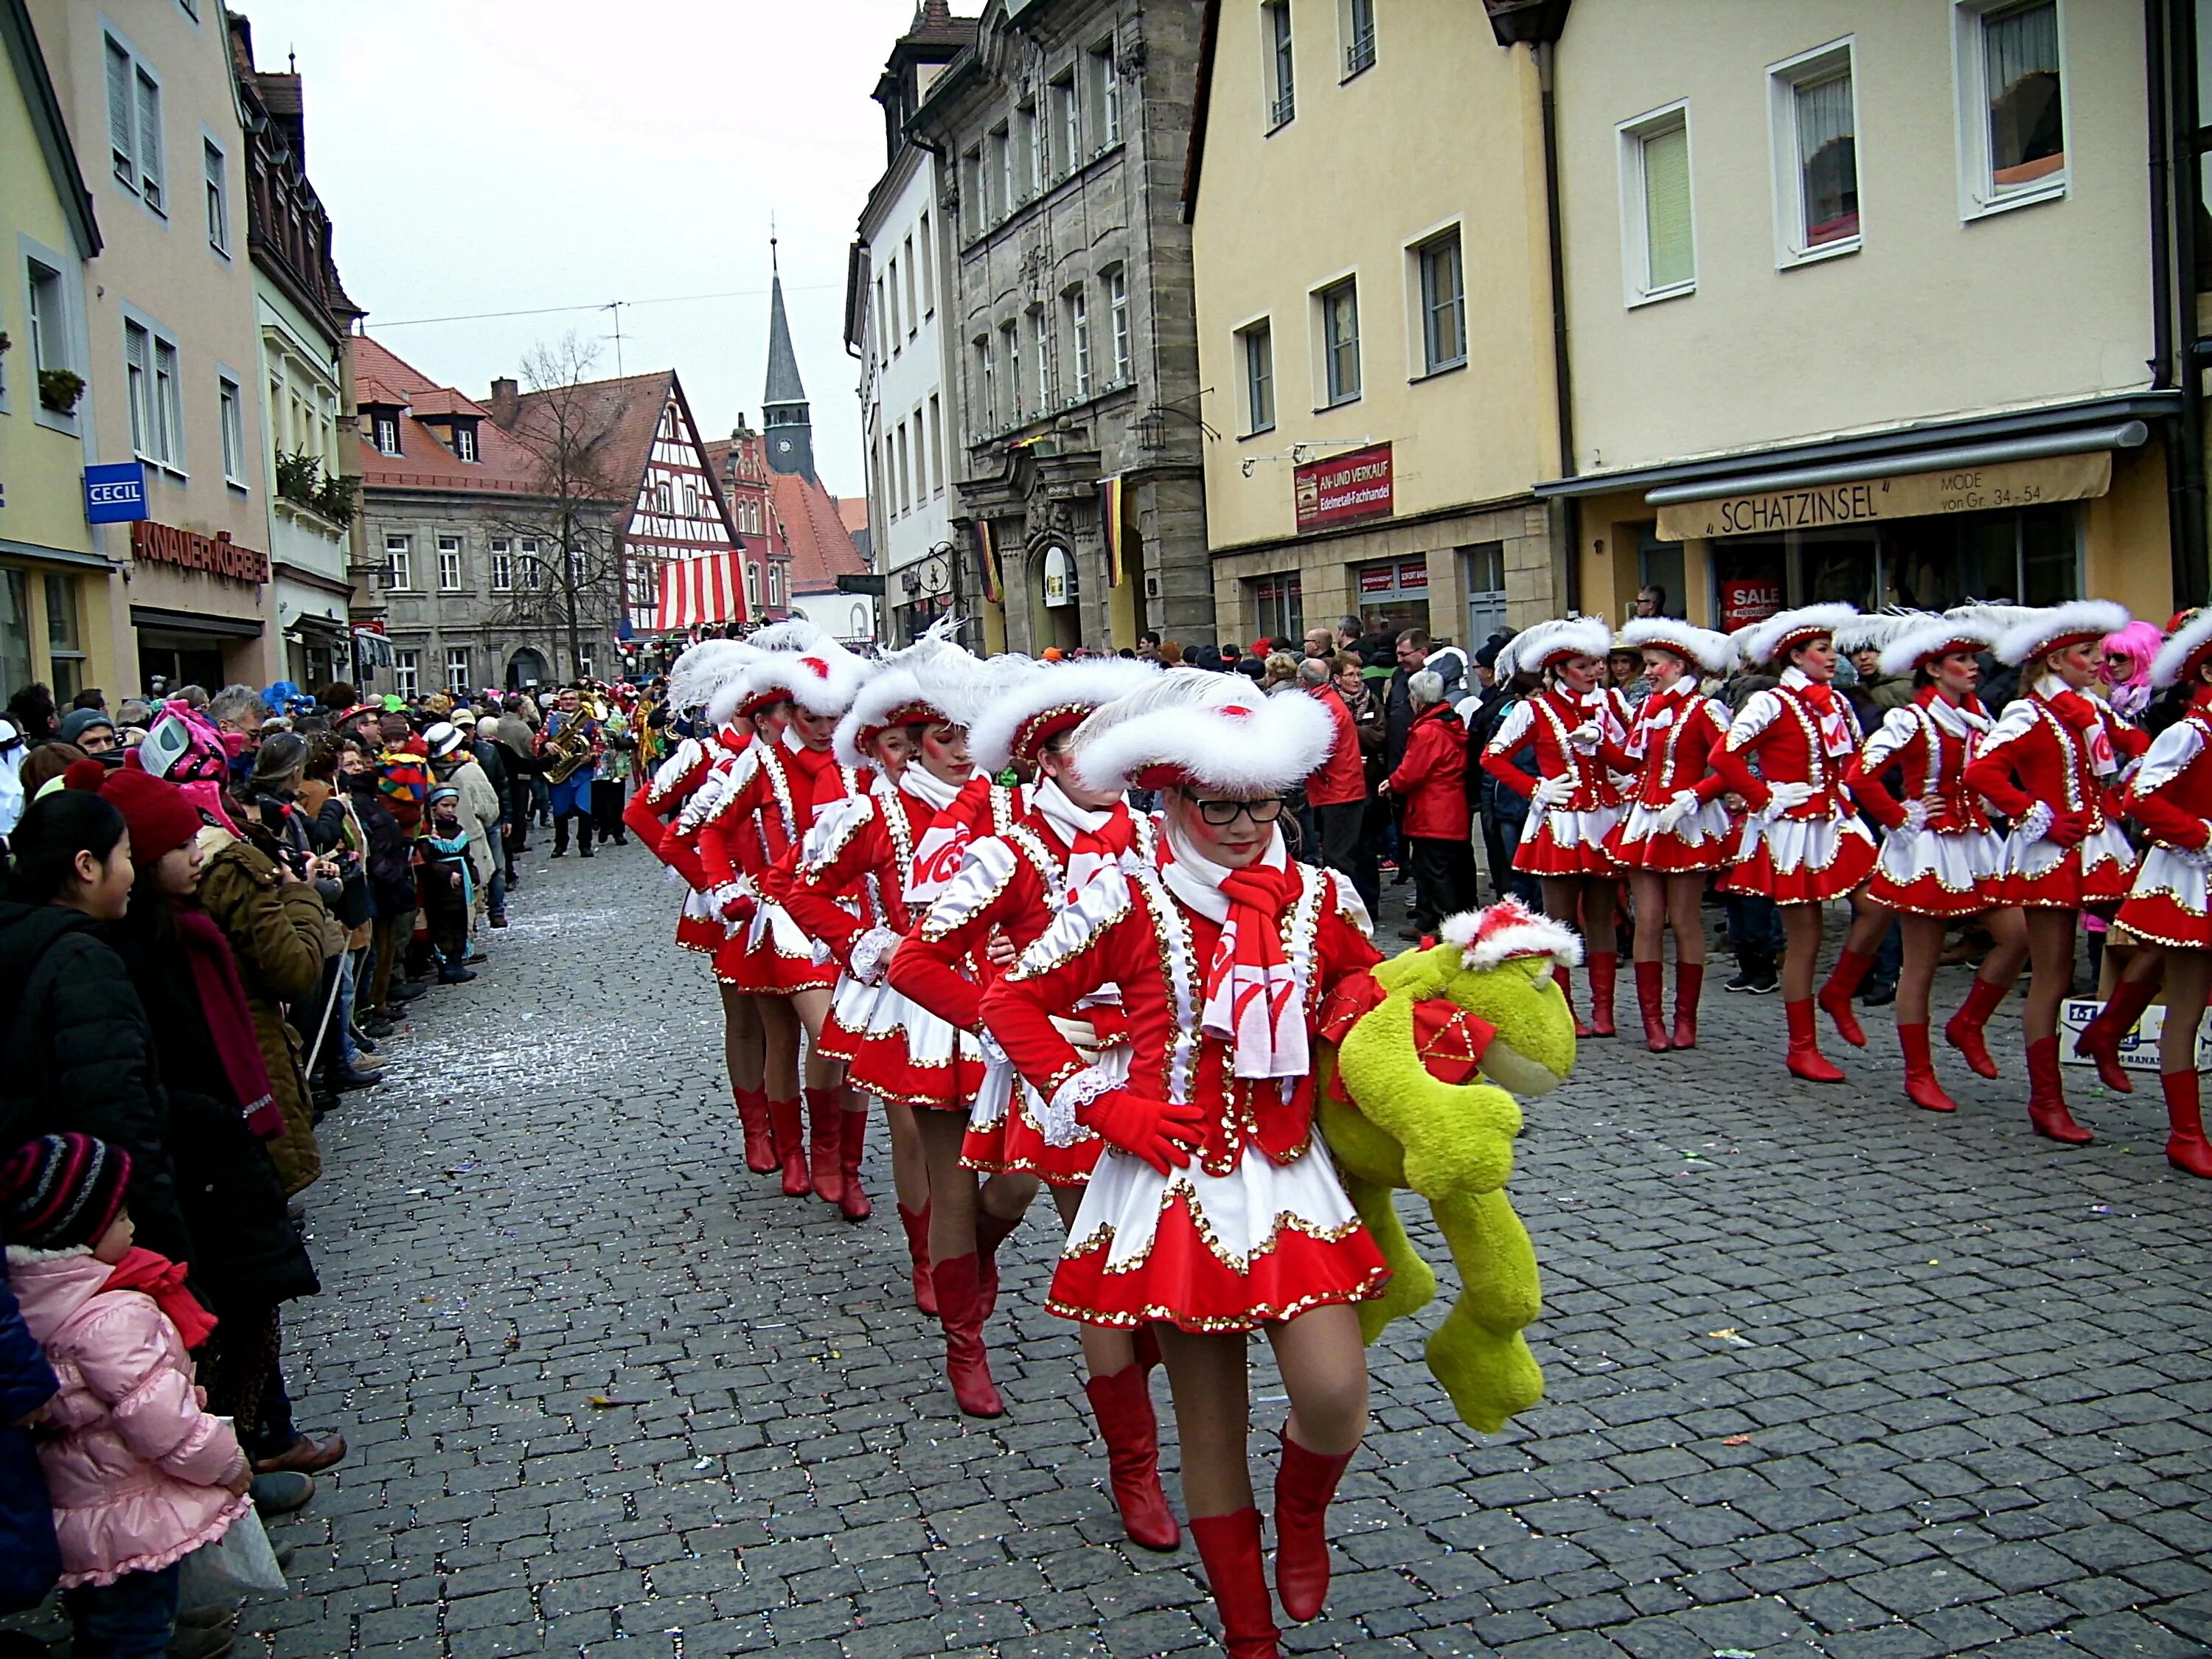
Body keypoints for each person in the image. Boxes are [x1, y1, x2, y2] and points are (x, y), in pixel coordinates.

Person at [979, 670, 1388, 1658]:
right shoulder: (1126, 893)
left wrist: (1384, 1021)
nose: (1247, 825)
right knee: (1211, 1430)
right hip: (1173, 1186)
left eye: (1263, 803)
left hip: (1288, 1175)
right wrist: (1103, 1100)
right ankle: (1249, 1636)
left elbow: (1365, 992)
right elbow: (1009, 1003)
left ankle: (1301, 1517)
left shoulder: (1322, 893)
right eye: (1221, 806)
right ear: (1169, 798)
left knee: (1334, 1392)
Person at [94, 766, 338, 1493]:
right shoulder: (152, 944)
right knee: (233, 1308)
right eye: (179, 842)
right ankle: (245, 1451)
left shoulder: (188, 921)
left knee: (250, 1297)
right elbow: (296, 963)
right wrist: (286, 888)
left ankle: (262, 1435)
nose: (198, 849)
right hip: (209, 1140)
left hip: (229, 1127)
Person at [4, 1134, 255, 1659]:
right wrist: (228, 1465)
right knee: (138, 1630)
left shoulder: (34, 1297)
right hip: (130, 1512)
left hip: (78, 1506)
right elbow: (163, 1420)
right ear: (80, 1234)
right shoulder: (113, 1316)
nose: (133, 1225)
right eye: (120, 1217)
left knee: (103, 1619)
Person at [1964, 602, 2148, 1144]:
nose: (2098, 662)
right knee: (2055, 974)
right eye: (2086, 653)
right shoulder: (2028, 713)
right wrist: (2032, 813)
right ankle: (2047, 1100)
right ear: (2054, 660)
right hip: (2053, 854)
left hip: (2101, 847)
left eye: (2098, 651)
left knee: (2153, 936)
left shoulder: (2092, 709)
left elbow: (2133, 745)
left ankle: (2108, 1030)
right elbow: (1982, 770)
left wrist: (2140, 762)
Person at [1843, 614, 2028, 1113]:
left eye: (1974, 658)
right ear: (1933, 670)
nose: (1973, 667)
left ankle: (1968, 1023)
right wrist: (1901, 815)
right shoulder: (1912, 718)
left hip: (1976, 843)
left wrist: (1995, 804)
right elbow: (1862, 777)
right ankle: (1918, 1073)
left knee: (2017, 936)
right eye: (1961, 660)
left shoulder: (1977, 717)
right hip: (1927, 847)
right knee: (1919, 965)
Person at [0, 790, 191, 1265]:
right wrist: (165, 1240)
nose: (131, 873)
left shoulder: (20, 938)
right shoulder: (81, 961)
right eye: (126, 856)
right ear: (87, 867)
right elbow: (115, 1105)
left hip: (35, 1213)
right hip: (98, 1220)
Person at [1709, 605, 1882, 1082]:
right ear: (1796, 655)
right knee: (1804, 938)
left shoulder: (1838, 703)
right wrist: (1764, 797)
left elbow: (1854, 760)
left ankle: (1840, 990)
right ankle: (1802, 1046)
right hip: (1792, 830)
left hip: (1837, 820)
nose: (1832, 658)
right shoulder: (1772, 702)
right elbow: (1724, 755)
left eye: (1831, 648)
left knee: (1880, 903)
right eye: (1823, 650)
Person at [1479, 617, 1627, 1034]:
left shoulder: (1613, 705)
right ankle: (1566, 1010)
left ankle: (1604, 1010)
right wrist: (1535, 788)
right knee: (1560, 921)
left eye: (1598, 664)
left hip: (1604, 821)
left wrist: (1610, 751)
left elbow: (1635, 759)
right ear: (1560, 669)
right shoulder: (1535, 709)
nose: (1595, 672)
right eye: (1583, 665)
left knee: (1602, 916)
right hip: (1560, 822)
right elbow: (1493, 757)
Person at [2104, 611, 2212, 1176]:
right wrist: (2200, 834)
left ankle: (2108, 1029)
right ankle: (2185, 1133)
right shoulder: (2190, 732)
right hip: (2191, 874)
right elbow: (2142, 797)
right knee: (2187, 1004)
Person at [1600, 619, 1738, 1051]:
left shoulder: (1705, 710)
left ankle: (1685, 1019)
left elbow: (1729, 767)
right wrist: (1596, 743)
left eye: (1655, 664)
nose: (1648, 672)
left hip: (1686, 821)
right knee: (1648, 920)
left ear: (1679, 666)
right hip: (1647, 819)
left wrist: (1692, 798)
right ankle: (1652, 1021)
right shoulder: (1649, 710)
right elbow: (1631, 764)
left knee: (1684, 921)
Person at [1382, 669, 1474, 939]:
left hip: (1432, 812)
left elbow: (1412, 771)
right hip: (1451, 807)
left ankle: (1444, 926)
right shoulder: (1451, 722)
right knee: (1449, 869)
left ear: (1417, 699)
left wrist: (1392, 782)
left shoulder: (1427, 731)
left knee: (1434, 872)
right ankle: (1432, 921)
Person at [1301, 658, 1367, 897]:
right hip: (1337, 787)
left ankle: (1347, 910)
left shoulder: (1326, 706)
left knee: (1338, 857)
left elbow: (1321, 748)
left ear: (1302, 681)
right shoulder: (1326, 701)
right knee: (1340, 853)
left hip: (1339, 790)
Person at [415, 785, 477, 984]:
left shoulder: (457, 829)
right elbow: (426, 861)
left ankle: (457, 961)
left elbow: (466, 855)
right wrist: (447, 873)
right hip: (439, 886)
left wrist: (473, 875)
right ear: (433, 807)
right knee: (442, 923)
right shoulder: (427, 833)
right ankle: (445, 965)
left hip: (461, 883)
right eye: (445, 805)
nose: (450, 810)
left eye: (453, 806)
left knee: (460, 920)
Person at [536, 688, 604, 858]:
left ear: (578, 701)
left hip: (582, 772)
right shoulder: (552, 719)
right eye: (565, 699)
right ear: (560, 701)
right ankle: (560, 844)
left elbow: (599, 743)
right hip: (560, 772)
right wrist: (546, 746)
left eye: (572, 699)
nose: (569, 702)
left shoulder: (589, 720)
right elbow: (538, 740)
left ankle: (585, 845)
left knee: (584, 809)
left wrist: (591, 755)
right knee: (559, 811)